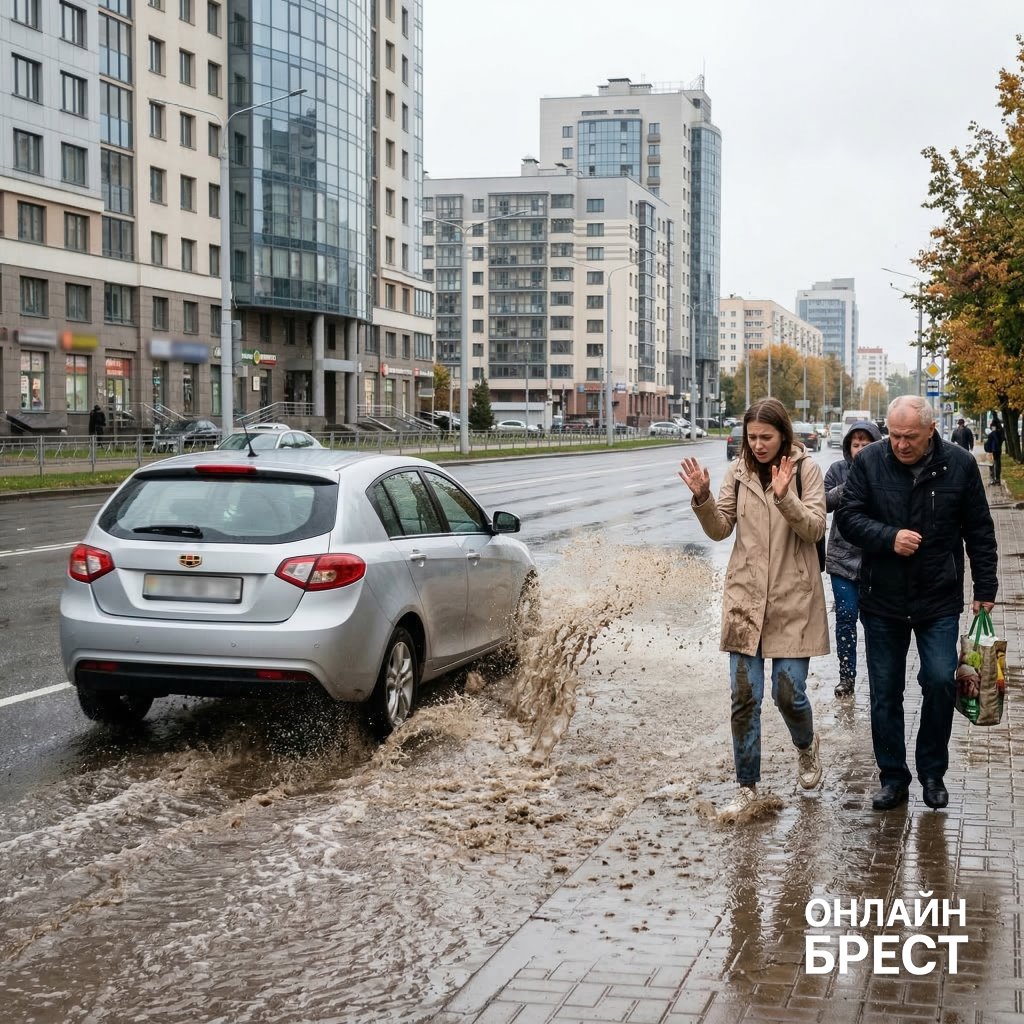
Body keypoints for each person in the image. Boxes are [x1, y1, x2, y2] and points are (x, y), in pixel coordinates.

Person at [836, 395, 998, 811]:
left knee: (941, 680)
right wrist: (889, 537)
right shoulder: (869, 461)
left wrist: (986, 588)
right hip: (883, 598)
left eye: (910, 436)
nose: (901, 444)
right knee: (886, 691)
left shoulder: (960, 464)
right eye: (894, 435)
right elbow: (848, 518)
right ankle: (893, 777)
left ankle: (932, 772)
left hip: (938, 596)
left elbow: (979, 529)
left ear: (931, 430)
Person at [679, 397, 828, 816]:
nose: (759, 445)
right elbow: (720, 529)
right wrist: (704, 498)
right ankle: (747, 785)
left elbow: (815, 528)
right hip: (745, 598)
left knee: (788, 692)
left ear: (783, 435)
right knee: (744, 696)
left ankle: (806, 745)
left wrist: (785, 497)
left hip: (793, 598)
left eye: (766, 437)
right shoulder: (738, 472)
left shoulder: (806, 470)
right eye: (752, 437)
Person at [824, 419, 882, 698]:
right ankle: (846, 676)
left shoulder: (886, 471)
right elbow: (822, 503)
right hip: (842, 559)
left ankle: (878, 677)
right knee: (846, 616)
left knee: (875, 622)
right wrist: (850, 484)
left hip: (876, 562)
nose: (860, 448)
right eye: (855, 444)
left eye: (865, 444)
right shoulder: (837, 470)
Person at [985, 415, 1005, 485]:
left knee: (992, 464)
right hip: (998, 450)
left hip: (993, 450)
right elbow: (1002, 439)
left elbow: (991, 440)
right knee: (997, 464)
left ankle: (993, 479)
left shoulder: (993, 433)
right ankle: (997, 479)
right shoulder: (1001, 431)